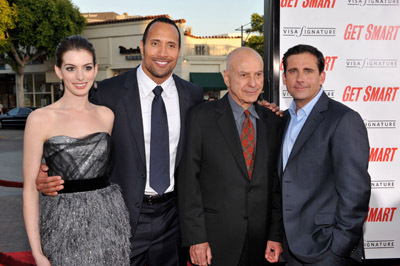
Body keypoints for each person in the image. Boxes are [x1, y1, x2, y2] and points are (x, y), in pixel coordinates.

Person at [36, 17, 204, 266]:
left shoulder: (192, 95)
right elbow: (76, 132)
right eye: (155, 43)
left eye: (171, 45)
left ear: (179, 50)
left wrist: (266, 112)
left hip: (173, 220)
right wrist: (48, 171)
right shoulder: (108, 92)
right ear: (142, 46)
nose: (162, 52)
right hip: (119, 217)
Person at [23, 35, 130, 266]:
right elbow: (30, 190)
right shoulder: (39, 119)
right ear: (59, 71)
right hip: (61, 225)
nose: (80, 77)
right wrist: (37, 253)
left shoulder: (106, 115)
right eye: (71, 68)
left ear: (95, 69)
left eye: (87, 67)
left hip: (109, 223)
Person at [178, 47, 283, 266]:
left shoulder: (273, 122)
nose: (253, 83)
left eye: (258, 74)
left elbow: (276, 185)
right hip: (214, 243)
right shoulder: (201, 118)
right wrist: (196, 238)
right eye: (244, 75)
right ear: (226, 77)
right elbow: (189, 182)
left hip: (261, 244)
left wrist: (275, 234)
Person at [279, 44, 371, 266]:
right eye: (293, 71)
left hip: (326, 251)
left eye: (308, 71)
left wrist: (338, 249)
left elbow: (355, 192)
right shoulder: (282, 120)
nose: (300, 78)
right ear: (284, 78)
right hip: (288, 251)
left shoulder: (343, 119)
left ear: (322, 76)